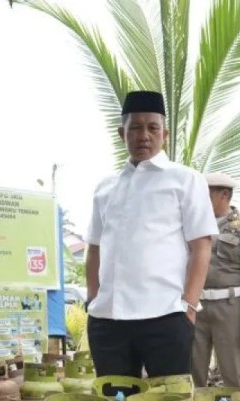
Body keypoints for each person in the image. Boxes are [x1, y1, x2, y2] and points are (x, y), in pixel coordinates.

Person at [84, 90, 217, 379]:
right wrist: (92, 299)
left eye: (152, 128)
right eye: (135, 127)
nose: (144, 135)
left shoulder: (184, 180)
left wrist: (189, 306)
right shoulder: (106, 187)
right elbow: (94, 248)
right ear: (122, 133)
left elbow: (201, 246)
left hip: (166, 316)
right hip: (108, 318)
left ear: (164, 134)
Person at [190, 172, 240, 389]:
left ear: (225, 195)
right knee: (192, 374)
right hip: (195, 308)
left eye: (205, 194)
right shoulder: (191, 224)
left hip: (231, 309)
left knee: (235, 374)